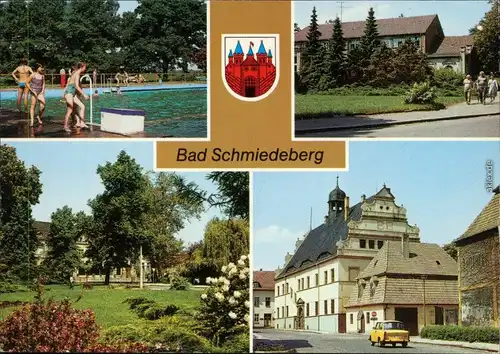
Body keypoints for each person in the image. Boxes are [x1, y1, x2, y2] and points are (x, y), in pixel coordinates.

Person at [63, 62, 90, 132]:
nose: (85, 68)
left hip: (72, 94)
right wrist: (84, 94)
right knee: (70, 110)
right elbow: (76, 86)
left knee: (82, 106)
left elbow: (69, 83)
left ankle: (82, 123)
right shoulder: (77, 74)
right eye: (85, 67)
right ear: (82, 67)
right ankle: (65, 126)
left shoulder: (75, 72)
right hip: (69, 93)